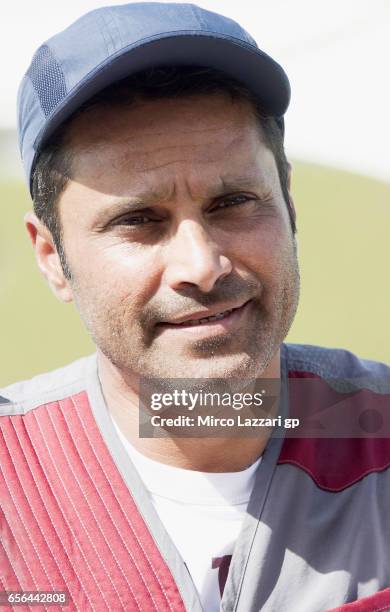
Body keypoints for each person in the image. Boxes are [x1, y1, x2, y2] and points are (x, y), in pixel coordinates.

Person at [1, 3, 390, 611]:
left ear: (289, 205)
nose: (202, 265)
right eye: (137, 220)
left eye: (233, 201)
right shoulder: (14, 482)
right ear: (52, 257)